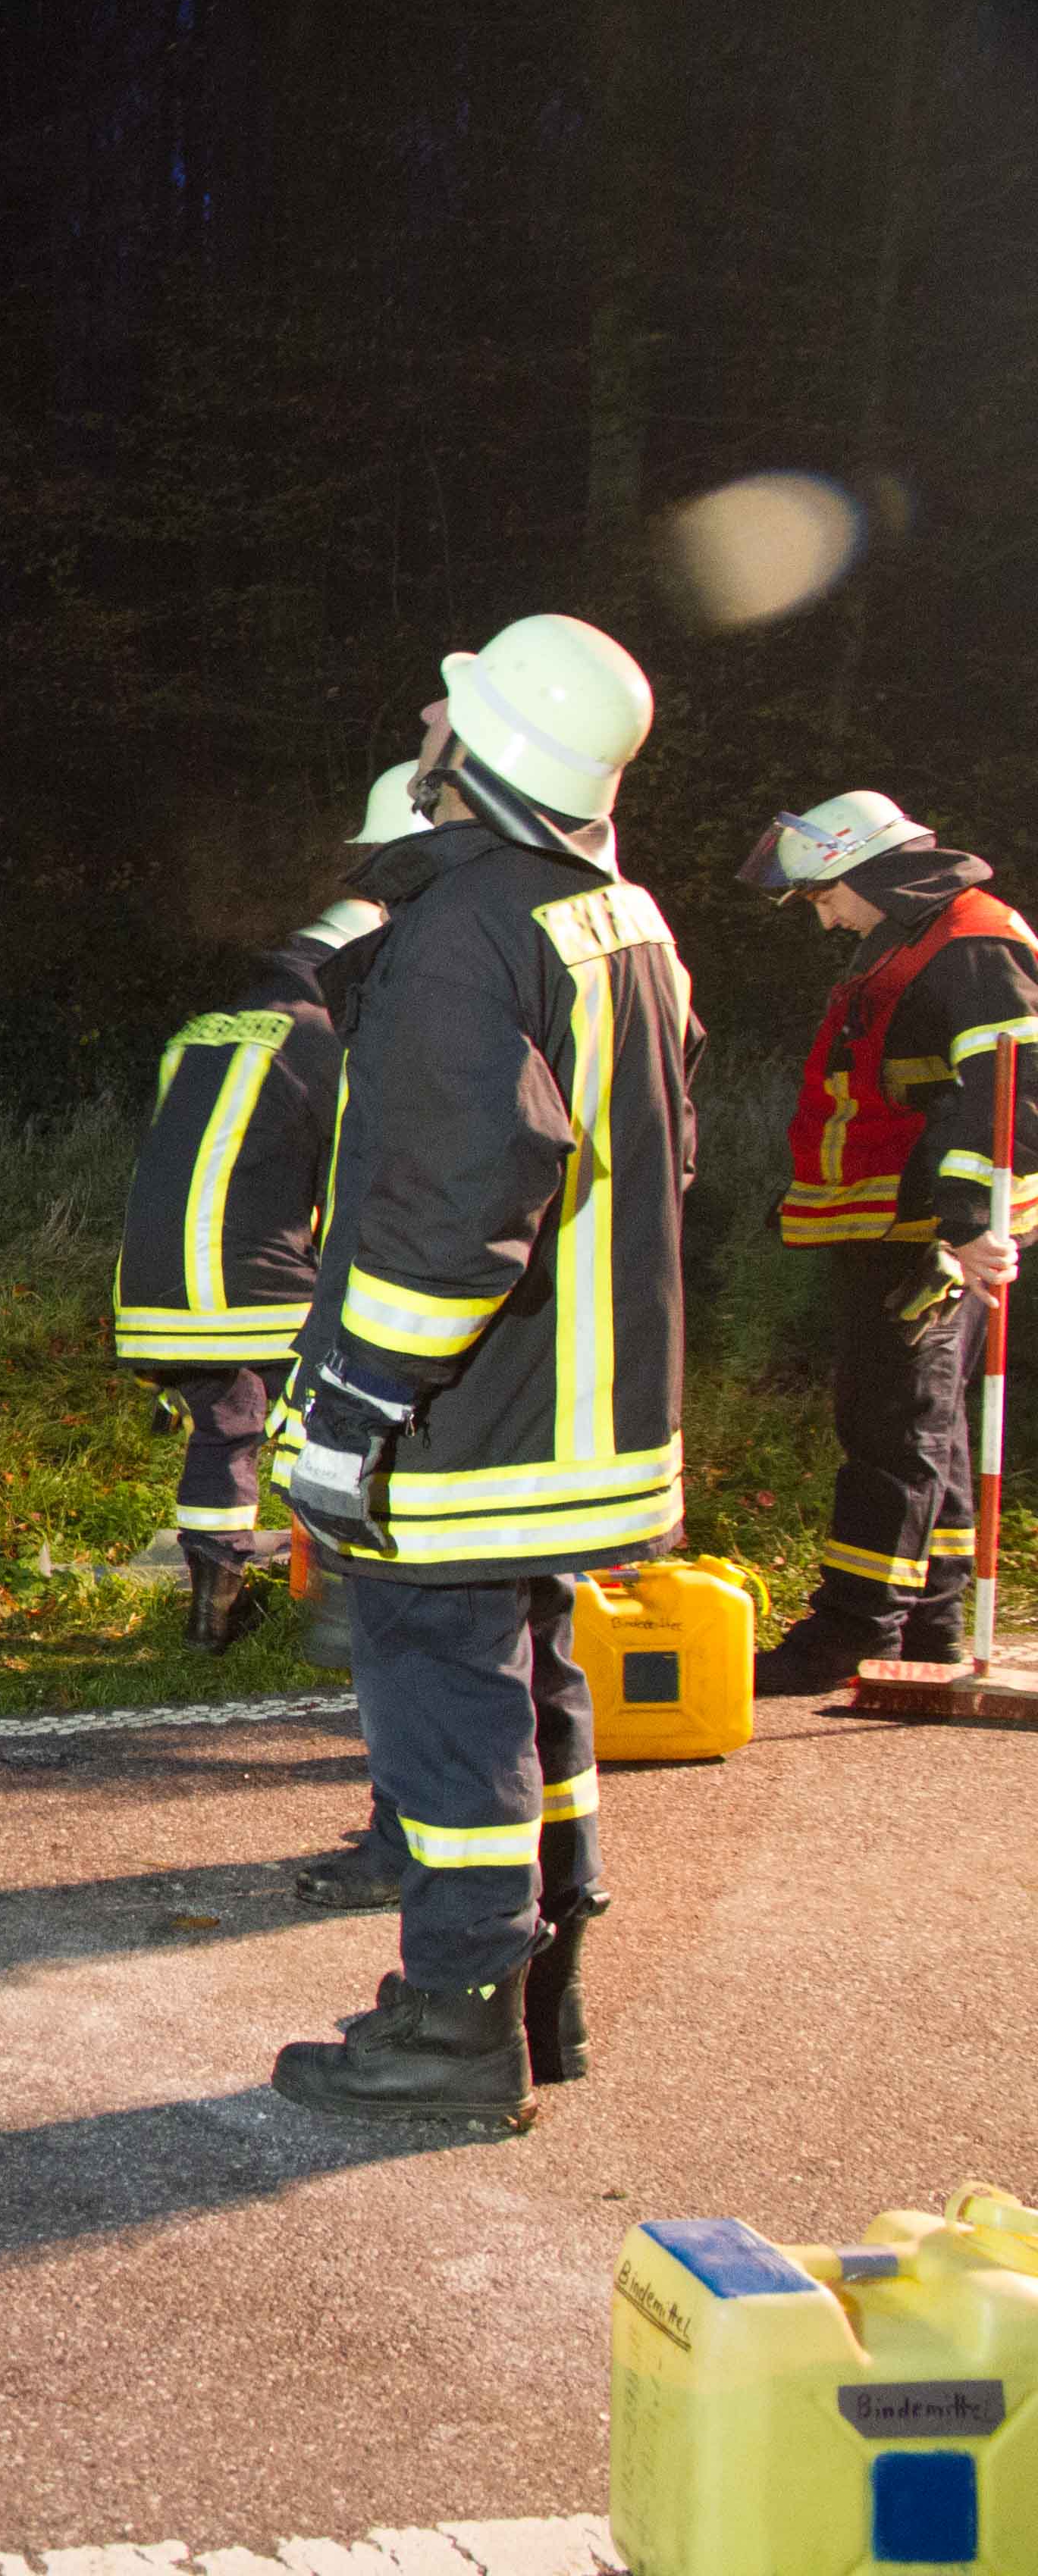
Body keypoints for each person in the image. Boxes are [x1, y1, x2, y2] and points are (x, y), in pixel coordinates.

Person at [273, 613, 697, 2126]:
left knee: (446, 1719)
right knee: (536, 1698)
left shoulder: (462, 929)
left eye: (444, 715)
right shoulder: (618, 916)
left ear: (481, 742)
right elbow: (667, 1149)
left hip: (468, 1426)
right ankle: (537, 1993)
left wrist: (358, 1400)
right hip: (585, 1413)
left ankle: (456, 2028)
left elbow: (452, 1199)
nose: (424, 728)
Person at [735, 791, 1038, 1692]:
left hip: (931, 1232)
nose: (825, 918)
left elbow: (1013, 1088)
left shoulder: (971, 943)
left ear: (868, 870)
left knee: (890, 1427)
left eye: (826, 896)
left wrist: (969, 1224)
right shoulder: (919, 935)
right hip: (900, 1221)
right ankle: (928, 1628)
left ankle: (849, 1634)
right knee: (922, 1428)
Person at [112, 874, 380, 1654]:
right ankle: (340, 1610)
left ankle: (209, 1617)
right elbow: (345, 1189)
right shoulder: (329, 1041)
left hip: (156, 1291)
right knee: (326, 1425)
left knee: (224, 1428)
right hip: (259, 1285)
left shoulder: (198, 1032)